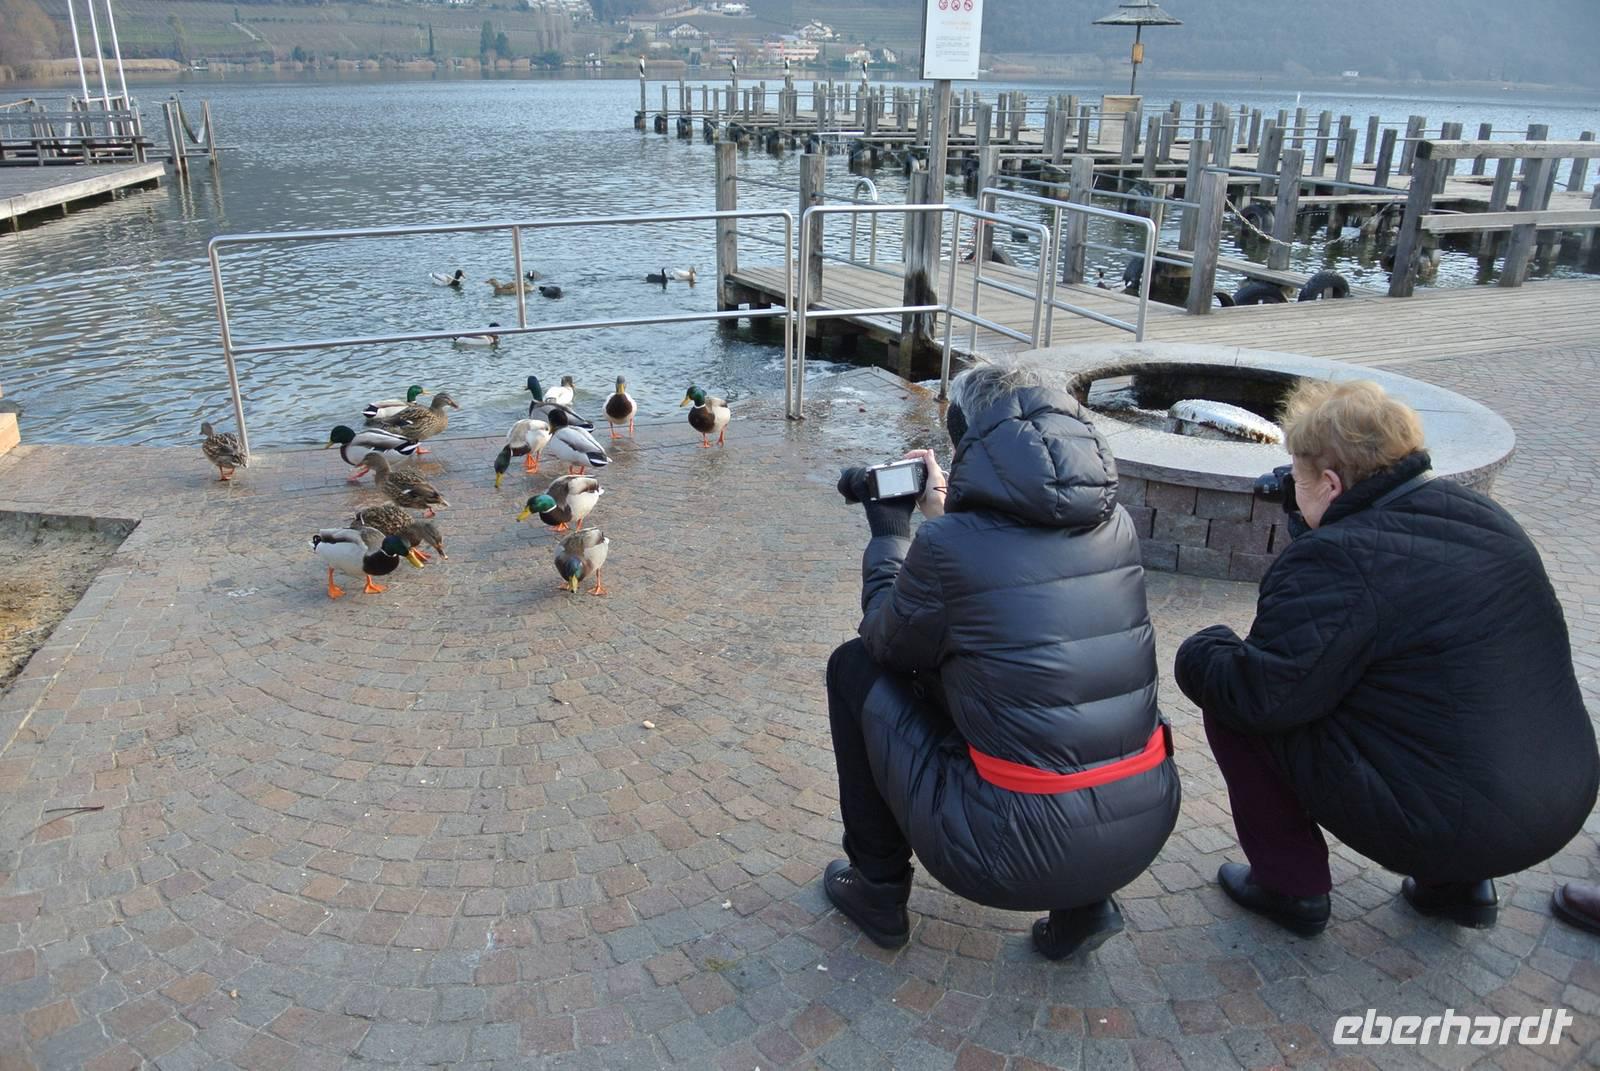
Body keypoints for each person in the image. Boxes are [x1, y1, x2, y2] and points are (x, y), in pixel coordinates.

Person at [1176, 379, 1598, 936]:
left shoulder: (1338, 560)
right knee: (1415, 689)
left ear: (1330, 483)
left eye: (1298, 477)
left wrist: (1201, 648)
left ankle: (1289, 885)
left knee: (1232, 697)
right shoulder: (1479, 515)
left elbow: (1262, 695)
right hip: (1560, 798)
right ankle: (1457, 889)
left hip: (1455, 824)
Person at [823, 363, 1180, 959]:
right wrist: (949, 514)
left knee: (853, 668)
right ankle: (1085, 906)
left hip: (1005, 852)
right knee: (1046, 679)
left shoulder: (948, 548)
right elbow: (1008, 579)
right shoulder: (1113, 522)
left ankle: (877, 890)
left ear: (968, 443)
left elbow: (886, 643)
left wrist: (890, 535)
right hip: (1141, 822)